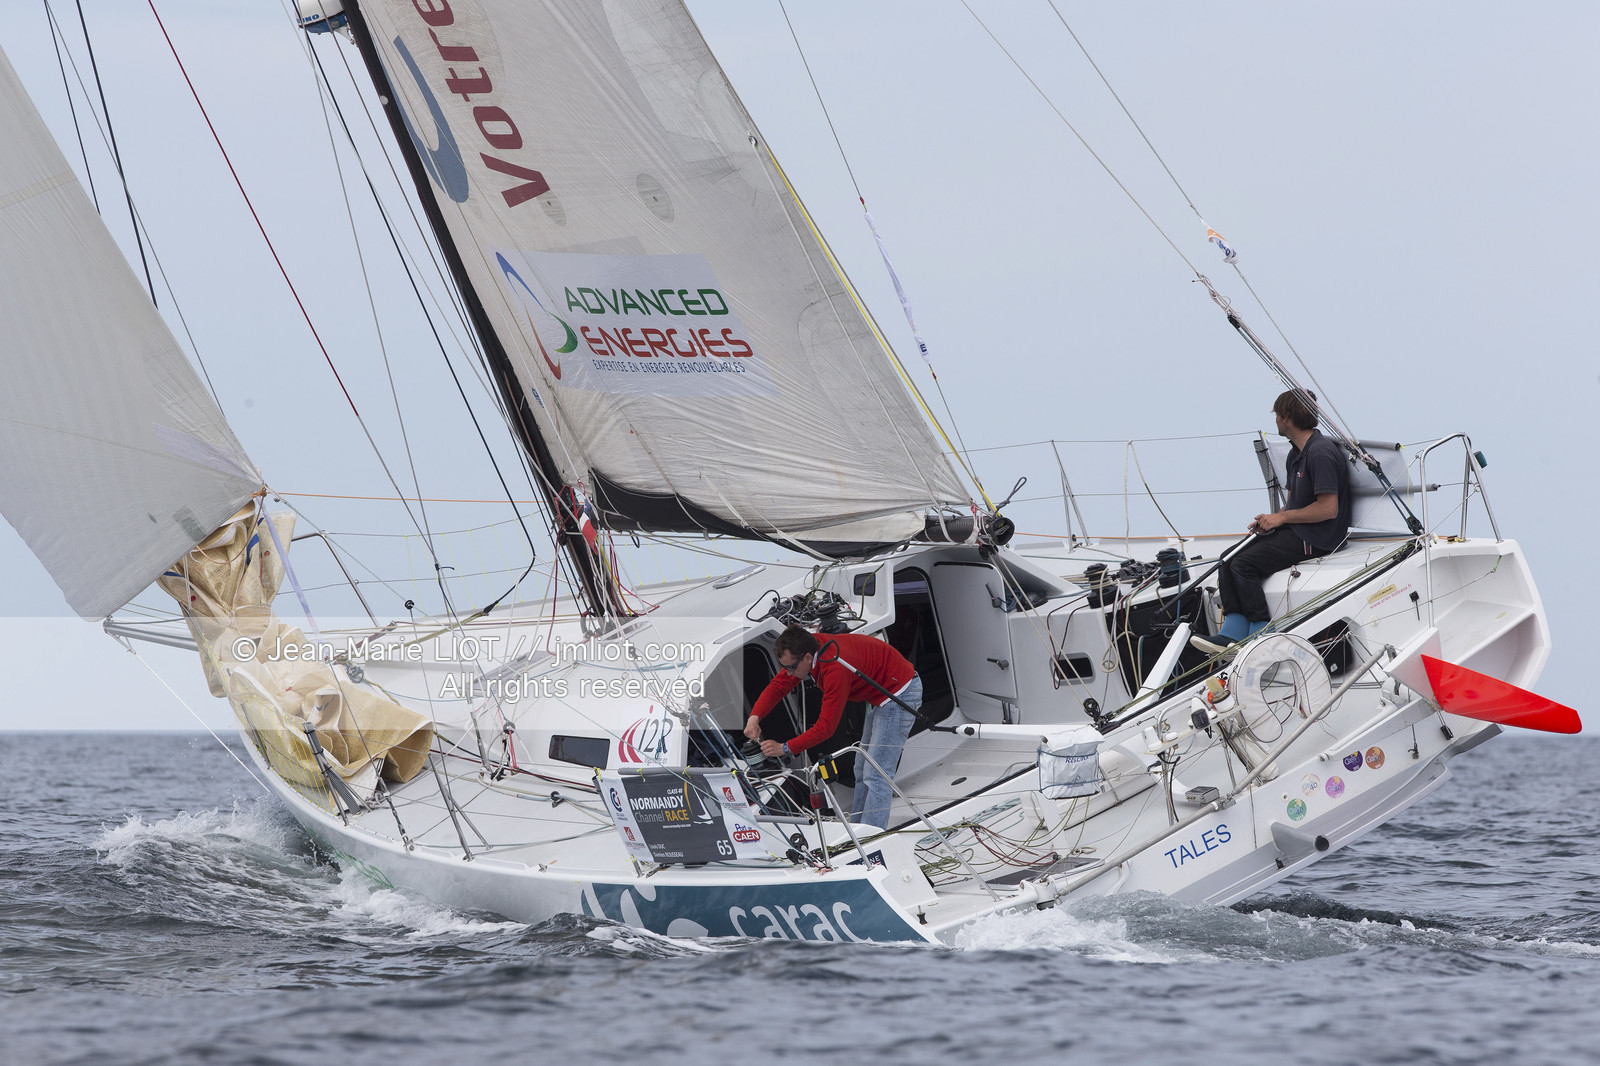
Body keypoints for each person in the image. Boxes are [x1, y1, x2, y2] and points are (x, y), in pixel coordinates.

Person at [1193, 389, 1352, 655]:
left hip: (1320, 538)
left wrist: (1281, 517)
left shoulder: (1321, 453)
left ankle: (1260, 631)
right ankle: (1232, 631)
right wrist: (1270, 521)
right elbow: (1292, 505)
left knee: (1244, 564)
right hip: (1299, 529)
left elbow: (1328, 509)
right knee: (1228, 557)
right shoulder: (1295, 454)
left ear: (1287, 417)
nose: (1275, 420)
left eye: (1277, 414)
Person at [743, 624, 922, 830]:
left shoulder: (835, 668)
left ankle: (873, 836)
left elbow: (826, 727)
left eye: (790, 667)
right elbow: (779, 684)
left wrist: (785, 747)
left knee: (877, 773)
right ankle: (858, 830)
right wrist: (754, 717)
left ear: (808, 658)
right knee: (861, 768)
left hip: (900, 695)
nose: (788, 672)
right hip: (882, 697)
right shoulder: (808, 645)